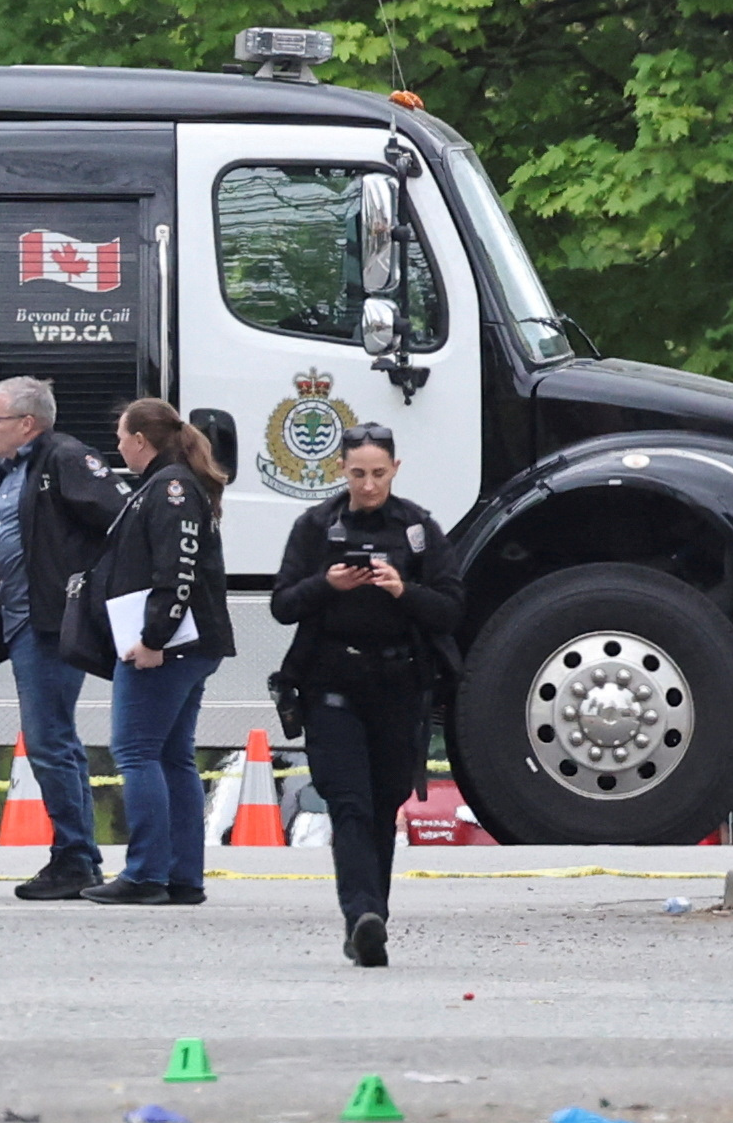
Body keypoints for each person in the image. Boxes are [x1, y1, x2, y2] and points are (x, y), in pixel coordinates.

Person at [267, 422, 463, 965]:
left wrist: (404, 590)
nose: (369, 485)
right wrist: (326, 584)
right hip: (332, 682)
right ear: (341, 471)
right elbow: (282, 605)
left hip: (399, 685)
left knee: (383, 805)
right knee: (348, 804)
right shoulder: (316, 526)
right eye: (358, 474)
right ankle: (361, 915)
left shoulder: (420, 529)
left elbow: (450, 609)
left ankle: (373, 913)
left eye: (378, 474)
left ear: (395, 470)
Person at [0, 375, 129, 900]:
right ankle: (78, 853)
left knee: (48, 740)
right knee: (54, 740)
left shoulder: (65, 458)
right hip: (20, 621)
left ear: (27, 423)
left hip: (50, 623)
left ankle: (73, 856)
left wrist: (84, 589)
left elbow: (120, 520)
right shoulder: (6, 471)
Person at [85, 400, 233, 905]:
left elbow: (177, 573)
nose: (119, 445)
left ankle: (147, 874)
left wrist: (153, 641)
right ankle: (182, 876)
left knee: (137, 751)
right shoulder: (167, 486)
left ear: (141, 441)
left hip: (169, 647)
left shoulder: (170, 490)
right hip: (185, 645)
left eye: (122, 436)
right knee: (172, 756)